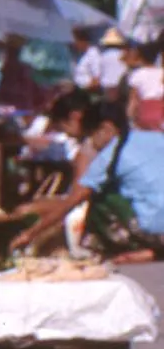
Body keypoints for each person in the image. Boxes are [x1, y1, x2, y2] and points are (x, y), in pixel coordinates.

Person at [15, 101, 164, 262]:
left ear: (106, 128)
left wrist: (30, 233)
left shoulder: (109, 155)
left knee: (99, 199)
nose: (92, 143)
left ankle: (125, 247)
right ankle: (156, 251)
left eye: (91, 136)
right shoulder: (155, 137)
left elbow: (72, 201)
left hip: (154, 226)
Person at [126, 40, 164, 130]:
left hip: (144, 112)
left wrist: (129, 118)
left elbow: (133, 99)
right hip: (161, 112)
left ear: (141, 57)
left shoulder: (137, 74)